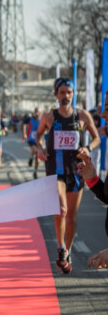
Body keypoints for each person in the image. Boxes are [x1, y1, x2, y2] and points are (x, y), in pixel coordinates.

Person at [36, 77, 100, 274]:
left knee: (71, 217)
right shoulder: (49, 117)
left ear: (73, 94)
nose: (66, 96)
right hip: (56, 171)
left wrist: (88, 148)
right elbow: (38, 135)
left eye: (69, 92)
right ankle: (60, 247)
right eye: (62, 92)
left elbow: (97, 138)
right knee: (61, 210)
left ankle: (68, 251)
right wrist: (39, 148)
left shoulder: (82, 116)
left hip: (76, 171)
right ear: (56, 95)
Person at [22, 107, 42, 179]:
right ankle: (31, 158)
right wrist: (24, 134)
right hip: (31, 139)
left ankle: (35, 172)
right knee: (34, 150)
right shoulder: (30, 119)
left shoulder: (42, 120)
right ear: (34, 112)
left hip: (39, 140)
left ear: (40, 113)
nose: (37, 113)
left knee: (38, 157)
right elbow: (23, 124)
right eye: (36, 112)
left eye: (38, 112)